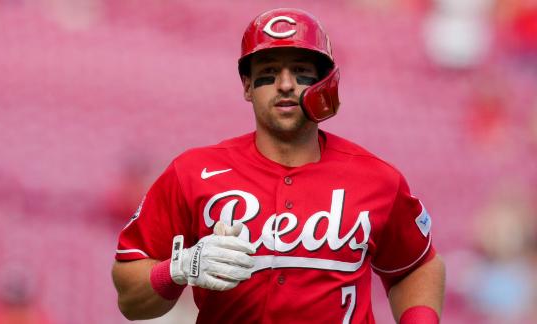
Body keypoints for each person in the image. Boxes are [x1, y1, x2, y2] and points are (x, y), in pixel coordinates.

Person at [112, 8, 446, 324]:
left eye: (301, 71)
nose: (286, 85)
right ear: (247, 86)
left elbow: (415, 266)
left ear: (325, 82)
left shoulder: (377, 179)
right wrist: (179, 268)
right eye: (269, 73)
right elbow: (129, 297)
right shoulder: (193, 172)